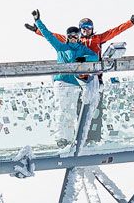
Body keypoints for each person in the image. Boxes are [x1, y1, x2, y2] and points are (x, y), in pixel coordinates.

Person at [30, 10, 100, 144]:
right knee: (63, 110)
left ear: (79, 36)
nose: (73, 38)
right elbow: (48, 35)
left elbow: (95, 56)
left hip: (74, 83)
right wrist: (38, 21)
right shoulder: (61, 47)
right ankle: (61, 138)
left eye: (76, 36)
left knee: (71, 112)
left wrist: (83, 59)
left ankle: (70, 138)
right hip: (61, 82)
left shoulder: (81, 49)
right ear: (67, 37)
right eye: (71, 36)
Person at [26, 13, 134, 58]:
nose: (85, 30)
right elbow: (52, 36)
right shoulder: (74, 39)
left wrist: (131, 22)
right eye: (83, 28)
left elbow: (115, 31)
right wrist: (37, 30)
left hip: (94, 70)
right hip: (78, 71)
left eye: (88, 28)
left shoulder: (98, 38)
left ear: (92, 29)